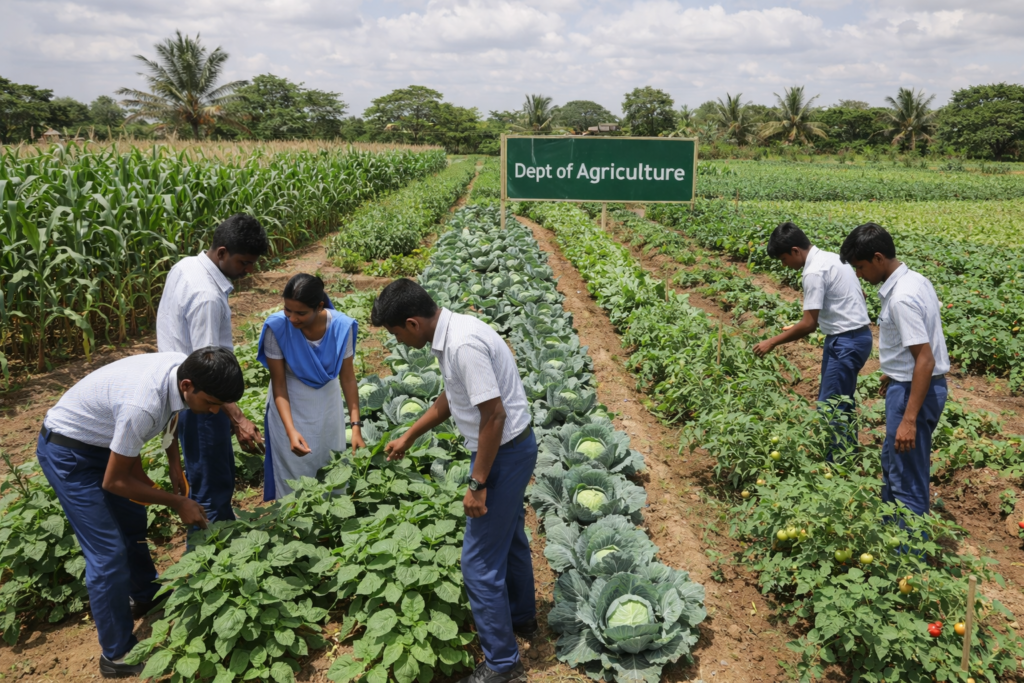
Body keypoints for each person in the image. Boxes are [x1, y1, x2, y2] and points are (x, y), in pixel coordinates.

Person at [36, 348, 245, 678]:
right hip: (70, 453)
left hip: (106, 439)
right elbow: (115, 481)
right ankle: (116, 654)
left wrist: (174, 465)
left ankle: (146, 595)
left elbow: (171, 414)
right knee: (108, 553)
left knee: (133, 521)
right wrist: (177, 502)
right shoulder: (142, 405)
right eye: (211, 403)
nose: (214, 411)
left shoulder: (182, 368)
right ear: (188, 386)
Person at [372, 279, 534, 683]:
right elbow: (452, 396)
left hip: (503, 453)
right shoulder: (454, 331)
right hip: (513, 449)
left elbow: (494, 416)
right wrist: (411, 434)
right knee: (510, 538)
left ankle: (502, 665)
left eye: (395, 333)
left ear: (412, 323)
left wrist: (477, 484)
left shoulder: (461, 345)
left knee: (478, 564)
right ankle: (521, 618)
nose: (398, 341)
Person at [156, 213, 270, 531]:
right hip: (201, 402)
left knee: (205, 476)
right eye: (244, 262)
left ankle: (220, 540)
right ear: (222, 252)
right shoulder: (206, 296)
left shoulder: (185, 266)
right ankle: (210, 549)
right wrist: (239, 419)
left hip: (183, 392)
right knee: (211, 483)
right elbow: (210, 374)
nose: (248, 270)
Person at [840, 223, 949, 516]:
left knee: (906, 480)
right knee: (893, 465)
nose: (859, 275)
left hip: (914, 391)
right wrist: (896, 370)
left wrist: (909, 420)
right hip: (913, 384)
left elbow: (925, 359)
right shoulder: (917, 281)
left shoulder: (901, 298)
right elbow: (920, 340)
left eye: (860, 267)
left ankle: (909, 543)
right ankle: (891, 533)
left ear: (878, 258)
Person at [754, 222, 873, 456]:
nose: (784, 265)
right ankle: (848, 455)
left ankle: (836, 463)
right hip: (858, 336)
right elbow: (857, 295)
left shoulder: (813, 272)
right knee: (842, 400)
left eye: (784, 259)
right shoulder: (833, 258)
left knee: (830, 405)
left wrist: (771, 342)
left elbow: (809, 324)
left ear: (795, 251)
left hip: (844, 341)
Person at [257, 274, 364, 499]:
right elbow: (279, 384)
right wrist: (290, 430)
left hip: (328, 406)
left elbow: (347, 378)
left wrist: (355, 426)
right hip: (289, 407)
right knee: (293, 475)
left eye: (301, 313)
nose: (292, 318)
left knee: (330, 462)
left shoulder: (341, 327)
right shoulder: (276, 327)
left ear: (320, 306)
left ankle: (329, 518)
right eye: (288, 310)